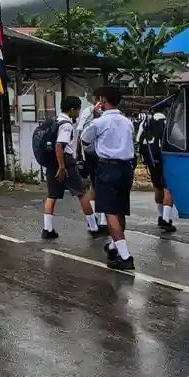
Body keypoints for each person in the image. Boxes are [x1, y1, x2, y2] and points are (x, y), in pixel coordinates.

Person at [80, 85, 138, 271]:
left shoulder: (99, 122)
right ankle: (114, 247)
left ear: (102, 100)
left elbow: (85, 139)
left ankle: (126, 257)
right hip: (126, 168)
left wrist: (92, 117)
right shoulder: (127, 122)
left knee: (110, 212)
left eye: (96, 99)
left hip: (108, 168)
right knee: (120, 210)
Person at [42, 96, 99, 240]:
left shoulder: (55, 120)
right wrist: (62, 167)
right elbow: (59, 145)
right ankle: (94, 227)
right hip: (65, 162)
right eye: (78, 110)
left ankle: (47, 229)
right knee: (81, 194)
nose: (79, 113)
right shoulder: (66, 125)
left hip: (52, 161)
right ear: (72, 109)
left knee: (51, 196)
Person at [139, 109, 176, 233]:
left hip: (151, 161)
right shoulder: (167, 123)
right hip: (165, 160)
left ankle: (160, 217)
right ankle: (166, 219)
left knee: (158, 187)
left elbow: (139, 140)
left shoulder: (145, 124)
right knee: (168, 189)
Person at [76, 92, 107, 234]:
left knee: (95, 186)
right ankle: (102, 221)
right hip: (99, 154)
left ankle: (95, 218)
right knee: (101, 186)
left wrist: (78, 152)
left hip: (91, 153)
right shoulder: (91, 112)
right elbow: (80, 133)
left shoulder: (87, 112)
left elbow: (80, 133)